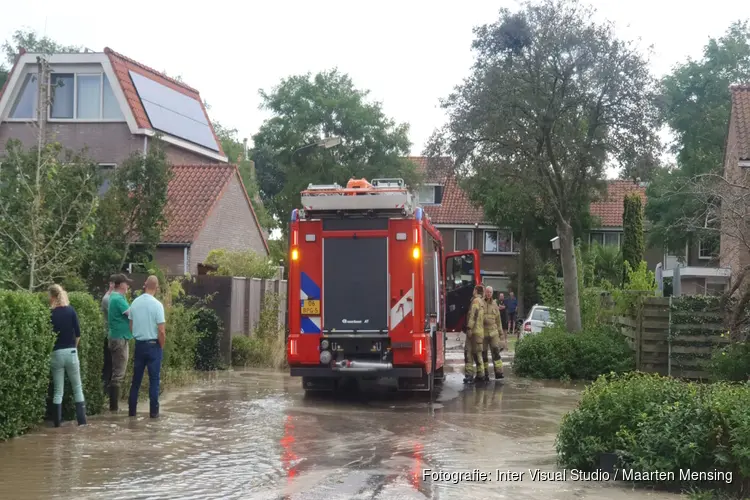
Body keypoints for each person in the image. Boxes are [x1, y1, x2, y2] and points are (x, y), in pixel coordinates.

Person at [128, 275, 166, 418]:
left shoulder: (134, 303)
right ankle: (154, 415)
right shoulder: (157, 305)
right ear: (156, 288)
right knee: (154, 381)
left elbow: (131, 326)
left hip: (139, 345)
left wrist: (138, 336)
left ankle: (132, 413)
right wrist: (160, 346)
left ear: (145, 285)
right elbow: (161, 330)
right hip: (153, 345)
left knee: (136, 381)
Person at [48, 284, 87, 427]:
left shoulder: (50, 313)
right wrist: (73, 348)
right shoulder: (71, 311)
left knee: (58, 390)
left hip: (56, 353)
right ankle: (82, 422)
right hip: (71, 352)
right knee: (77, 387)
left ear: (52, 297)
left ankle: (57, 424)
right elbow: (78, 333)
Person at [108, 273, 132, 411]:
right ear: (121, 285)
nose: (128, 285)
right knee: (119, 374)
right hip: (119, 338)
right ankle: (114, 408)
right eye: (126, 283)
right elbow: (131, 313)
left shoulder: (115, 297)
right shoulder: (118, 298)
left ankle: (113, 406)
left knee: (116, 372)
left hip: (116, 336)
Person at [480, 286, 505, 381]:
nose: (488, 294)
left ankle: (499, 373)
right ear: (484, 293)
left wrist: (501, 335)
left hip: (493, 333)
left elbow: (498, 321)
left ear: (492, 293)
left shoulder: (495, 305)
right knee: (484, 354)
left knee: (496, 352)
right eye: (487, 292)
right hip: (483, 333)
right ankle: (485, 373)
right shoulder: (480, 303)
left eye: (490, 292)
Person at [464, 285, 485, 384]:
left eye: (474, 289)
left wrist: (469, 328)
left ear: (476, 291)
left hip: (473, 332)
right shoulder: (482, 301)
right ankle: (480, 375)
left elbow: (473, 315)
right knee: (478, 354)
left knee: (468, 352)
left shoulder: (475, 301)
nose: (472, 291)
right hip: (480, 332)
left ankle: (469, 375)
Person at [101, 279, 115, 393]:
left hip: (110, 334)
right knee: (109, 365)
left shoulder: (109, 297)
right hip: (109, 335)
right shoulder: (107, 299)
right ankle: (105, 391)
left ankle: (107, 391)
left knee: (110, 365)